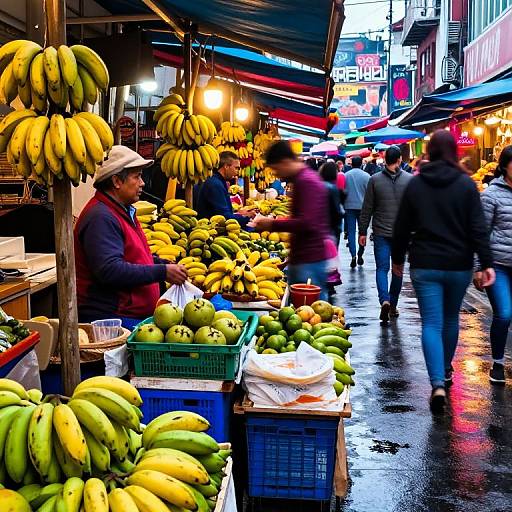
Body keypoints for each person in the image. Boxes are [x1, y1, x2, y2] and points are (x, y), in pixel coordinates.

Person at [391, 130, 494, 413]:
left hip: (425, 264)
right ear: (454, 152)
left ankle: (437, 383)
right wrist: (486, 263)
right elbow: (478, 228)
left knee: (431, 324)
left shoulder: (416, 184)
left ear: (429, 152)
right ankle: (446, 373)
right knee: (450, 320)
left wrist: (397, 259)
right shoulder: (465, 185)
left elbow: (401, 227)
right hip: (458, 264)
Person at [74, 145, 188, 329]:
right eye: (137, 177)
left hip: (130, 316)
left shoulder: (123, 211)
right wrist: (162, 272)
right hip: (112, 321)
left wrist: (160, 263)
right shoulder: (100, 217)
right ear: (117, 181)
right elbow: (110, 270)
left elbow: (131, 257)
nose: (142, 183)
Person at [251, 141, 331, 300]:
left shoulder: (306, 182)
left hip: (309, 261)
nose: (276, 174)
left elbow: (307, 222)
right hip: (304, 258)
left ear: (285, 162)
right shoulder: (302, 179)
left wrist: (271, 224)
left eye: (276, 169)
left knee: (312, 311)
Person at [359, 146, 413, 322]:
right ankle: (393, 305)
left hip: (381, 232)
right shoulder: (410, 180)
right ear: (399, 160)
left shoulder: (374, 180)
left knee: (382, 269)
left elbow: (367, 208)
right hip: (402, 234)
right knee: (398, 270)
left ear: (384, 159)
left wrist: (362, 231)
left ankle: (384, 300)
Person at [476, 146, 512, 384]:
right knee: (504, 313)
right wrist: (478, 266)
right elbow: (479, 233)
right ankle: (497, 363)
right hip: (498, 265)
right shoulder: (490, 195)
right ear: (504, 166)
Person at [195, 151, 255, 226]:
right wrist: (247, 218)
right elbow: (224, 217)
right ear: (226, 166)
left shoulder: (218, 181)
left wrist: (239, 214)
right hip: (210, 231)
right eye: (236, 168)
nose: (237, 172)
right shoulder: (215, 185)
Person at [344, 156, 370, 268]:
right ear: (361, 164)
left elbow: (343, 191)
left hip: (349, 206)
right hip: (363, 208)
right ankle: (361, 252)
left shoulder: (346, 176)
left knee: (351, 232)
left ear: (351, 164)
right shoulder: (367, 176)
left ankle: (353, 255)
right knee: (362, 231)